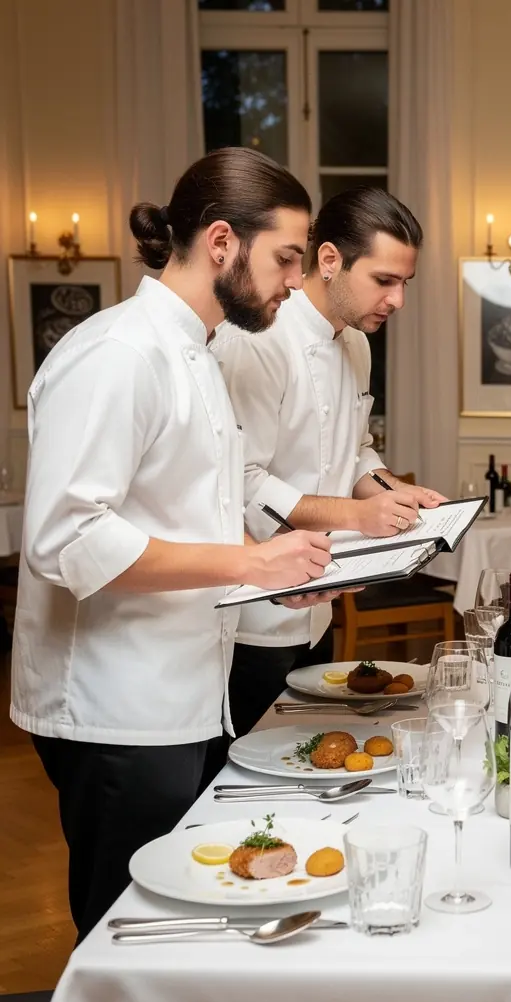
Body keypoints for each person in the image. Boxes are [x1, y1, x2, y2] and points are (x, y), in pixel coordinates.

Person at [10, 147, 338, 942]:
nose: (297, 282)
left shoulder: (200, 351)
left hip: (186, 693)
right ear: (221, 242)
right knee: (125, 937)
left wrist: (270, 577)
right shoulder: (119, 354)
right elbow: (67, 536)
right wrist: (248, 562)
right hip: (114, 707)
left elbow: (192, 520)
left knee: (180, 924)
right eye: (286, 258)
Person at [205, 186, 447, 774]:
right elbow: (242, 481)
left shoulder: (357, 344)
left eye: (405, 283)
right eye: (385, 280)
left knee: (308, 758)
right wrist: (357, 516)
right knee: (252, 771)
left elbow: (355, 451)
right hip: (253, 610)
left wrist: (391, 490)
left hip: (321, 596)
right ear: (331, 260)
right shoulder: (258, 338)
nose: (399, 300)